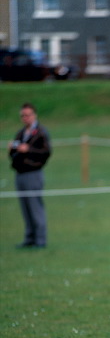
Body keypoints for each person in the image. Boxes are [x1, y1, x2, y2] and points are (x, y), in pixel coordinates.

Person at [8, 103, 51, 248]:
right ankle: (29, 238)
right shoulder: (21, 133)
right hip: (20, 173)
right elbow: (14, 154)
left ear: (34, 115)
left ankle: (40, 240)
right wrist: (13, 148)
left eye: (28, 115)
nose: (25, 118)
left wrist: (28, 149)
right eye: (23, 116)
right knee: (25, 208)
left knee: (35, 207)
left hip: (33, 174)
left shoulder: (40, 132)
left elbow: (46, 152)